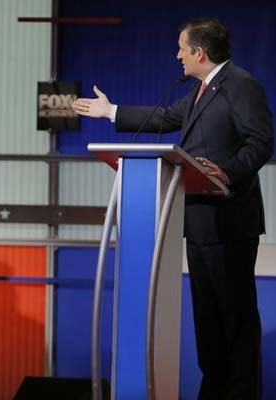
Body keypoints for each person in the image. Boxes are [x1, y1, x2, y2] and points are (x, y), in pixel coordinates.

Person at [72, 17, 273, 399]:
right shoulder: (200, 90)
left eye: (182, 49)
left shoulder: (241, 85)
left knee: (235, 321)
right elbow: (166, 118)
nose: (178, 55)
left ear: (200, 51)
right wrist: (111, 111)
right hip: (197, 222)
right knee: (208, 323)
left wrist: (227, 173)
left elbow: (261, 142)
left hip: (230, 223)